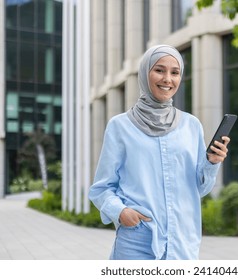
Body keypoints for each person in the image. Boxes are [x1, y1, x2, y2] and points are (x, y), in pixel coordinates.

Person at [88, 45, 230, 260]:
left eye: (175, 72)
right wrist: (121, 212)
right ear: (145, 73)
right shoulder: (120, 126)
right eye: (159, 70)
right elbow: (102, 188)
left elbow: (198, 189)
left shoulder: (191, 125)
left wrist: (212, 162)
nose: (167, 79)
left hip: (181, 243)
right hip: (137, 243)